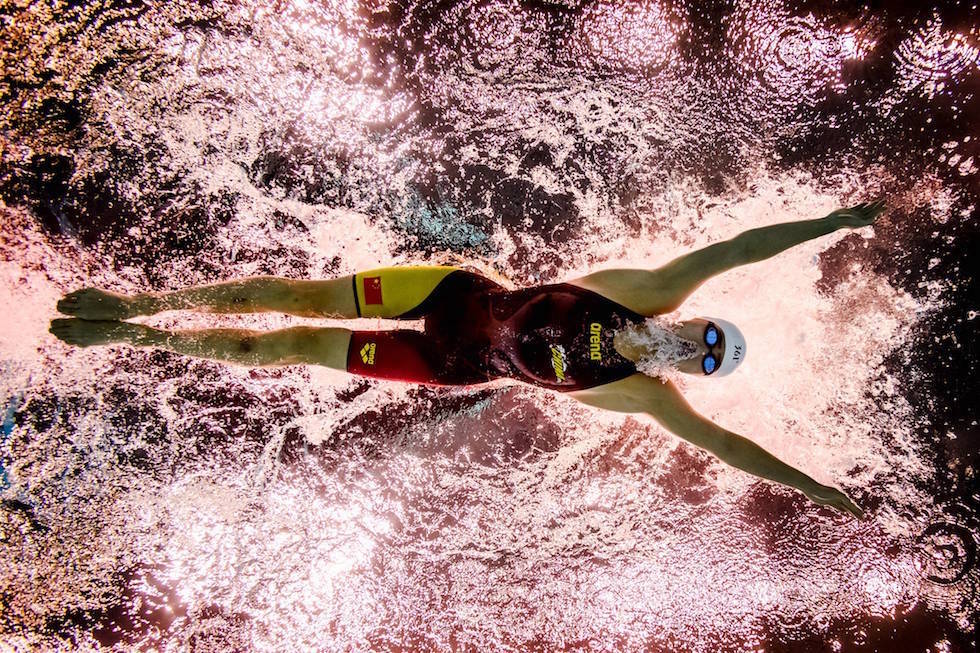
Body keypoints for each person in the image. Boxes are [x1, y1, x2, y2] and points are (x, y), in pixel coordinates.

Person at [50, 201, 886, 519]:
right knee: (307, 295)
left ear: (699, 373)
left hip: (445, 363)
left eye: (707, 359)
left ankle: (140, 335)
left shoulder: (644, 396)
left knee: (288, 347)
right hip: (454, 293)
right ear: (699, 317)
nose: (695, 345)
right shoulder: (652, 289)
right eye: (709, 332)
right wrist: (833, 221)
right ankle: (142, 303)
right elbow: (740, 246)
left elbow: (731, 451)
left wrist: (812, 485)